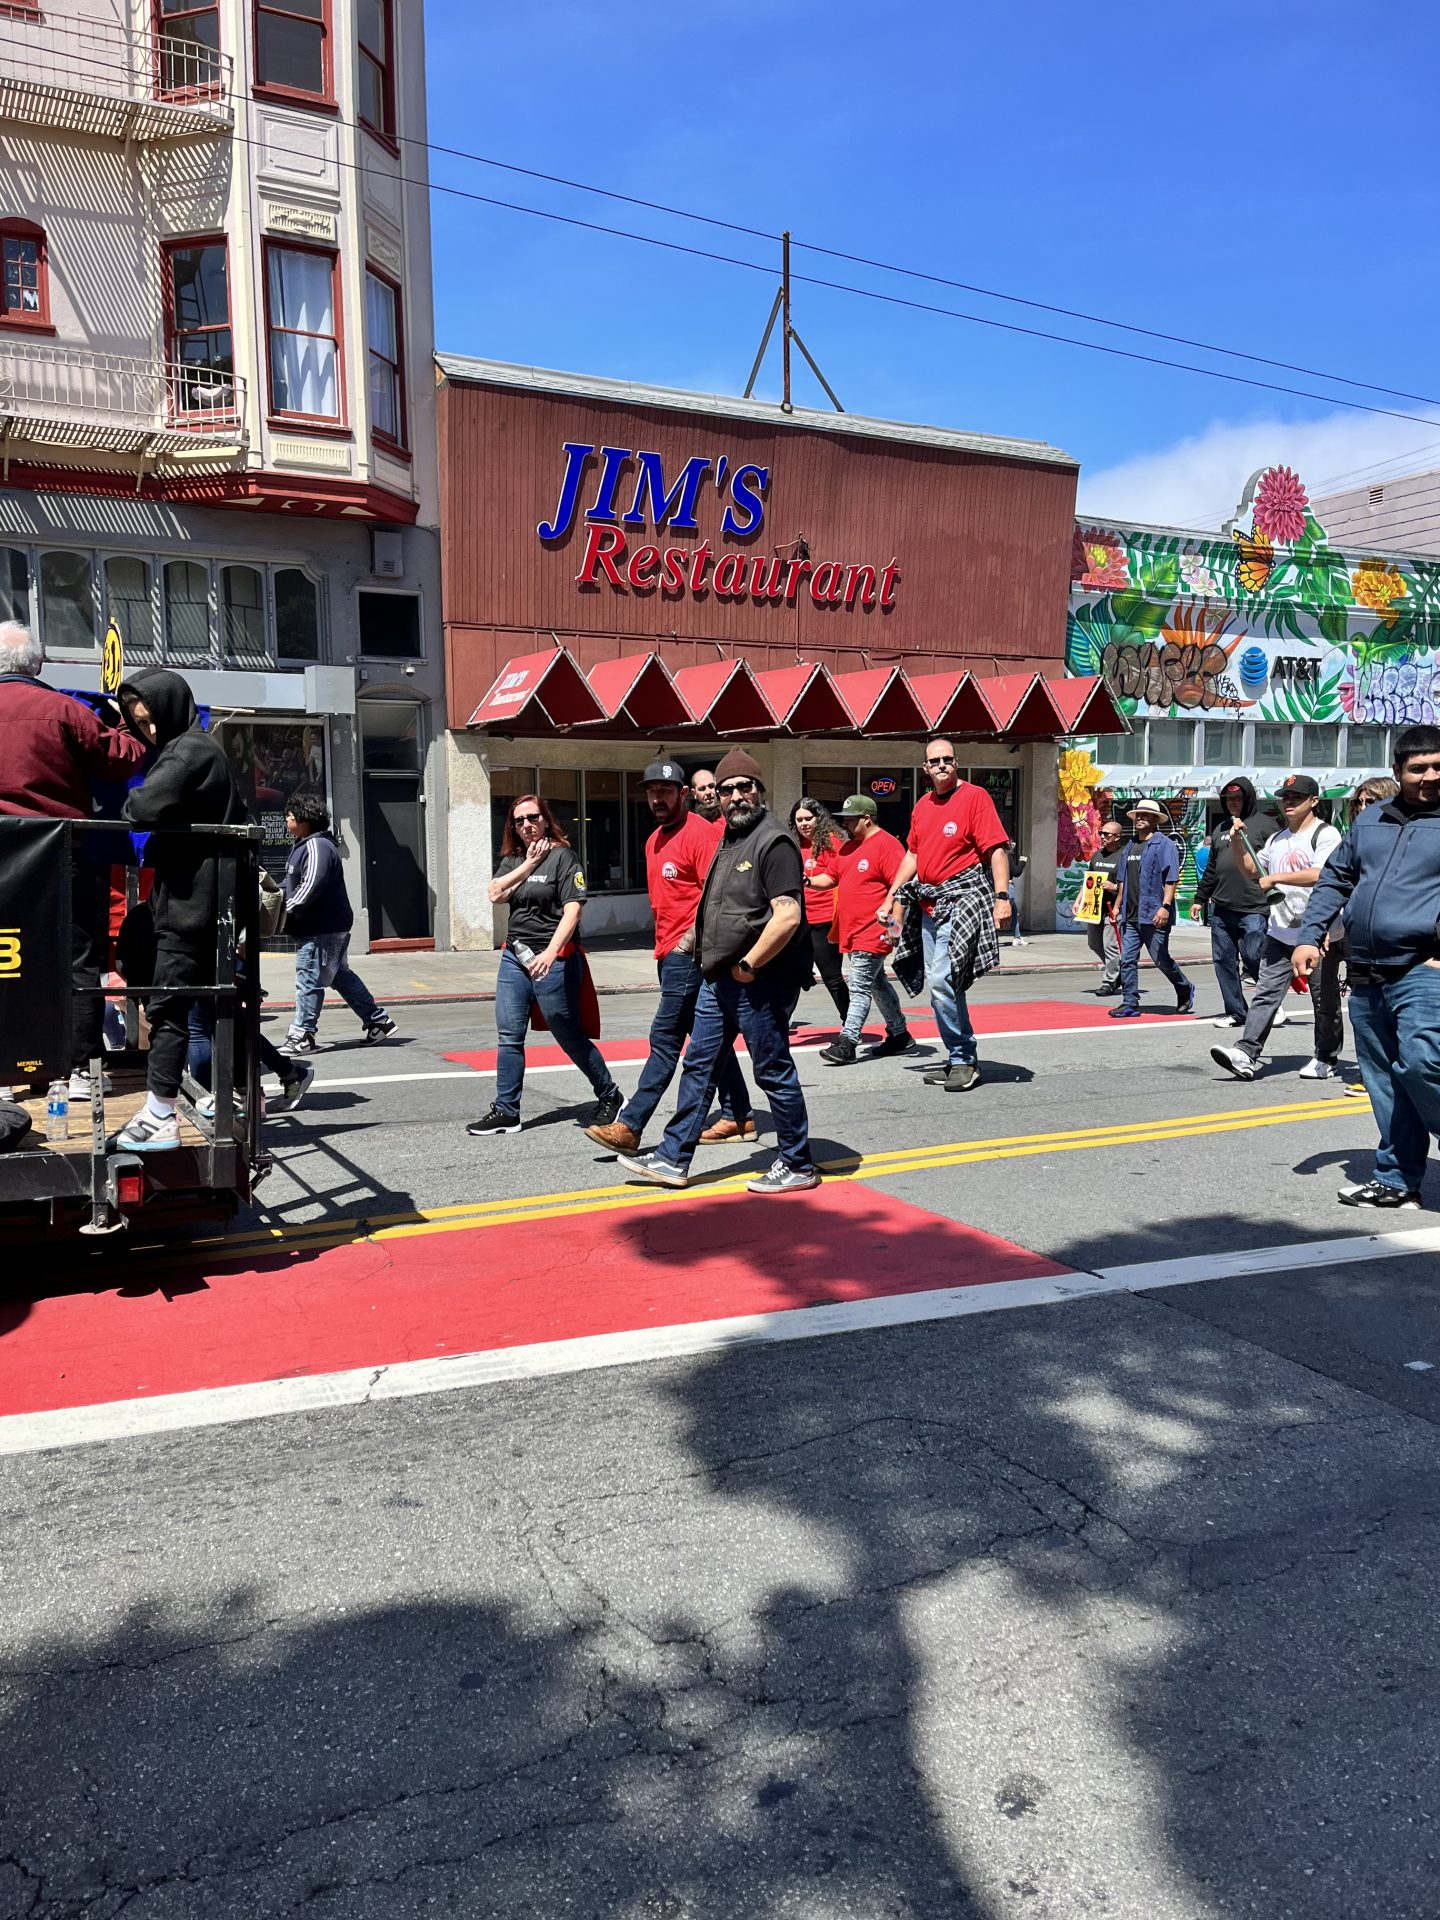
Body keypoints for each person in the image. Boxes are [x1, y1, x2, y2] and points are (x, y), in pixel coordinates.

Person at [617, 747, 819, 1194]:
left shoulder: (774, 841)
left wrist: (748, 965)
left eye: (744, 787)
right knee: (699, 1065)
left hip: (758, 979)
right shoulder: (728, 839)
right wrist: (690, 947)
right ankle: (673, 1158)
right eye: (726, 790)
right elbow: (714, 909)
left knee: (772, 1070)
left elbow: (786, 916)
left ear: (759, 791)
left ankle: (798, 1163)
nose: (735, 796)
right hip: (718, 977)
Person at [0, 620, 146, 1099]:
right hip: (64, 853)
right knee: (77, 961)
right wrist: (124, 720)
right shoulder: (63, 709)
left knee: (8, 960)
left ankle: (6, 1070)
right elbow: (122, 757)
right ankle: (79, 1068)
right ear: (38, 664)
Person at [1293, 734, 1440, 1207]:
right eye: (1419, 768)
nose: (1431, 776)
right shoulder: (1371, 820)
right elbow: (1337, 877)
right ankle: (1397, 1178)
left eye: (1439, 766)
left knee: (1421, 1061)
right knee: (1384, 1081)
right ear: (1398, 770)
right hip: (1366, 972)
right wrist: (1309, 935)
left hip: (1424, 967)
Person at [584, 758, 753, 1153]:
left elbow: (719, 895)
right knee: (707, 1037)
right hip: (668, 953)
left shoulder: (701, 835)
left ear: (684, 794)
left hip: (690, 954)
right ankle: (739, 1114)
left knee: (665, 1039)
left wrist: (688, 942)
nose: (657, 798)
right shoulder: (655, 838)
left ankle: (630, 1124)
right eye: (651, 791)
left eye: (665, 791)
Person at [112, 667, 242, 1150]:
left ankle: (160, 1111)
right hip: (195, 898)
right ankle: (233, 1093)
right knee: (197, 998)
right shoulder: (196, 747)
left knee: (169, 1004)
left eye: (150, 719)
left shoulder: (188, 752)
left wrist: (133, 796)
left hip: (190, 901)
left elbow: (142, 806)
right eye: (137, 722)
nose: (147, 730)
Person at [467, 792, 622, 1137]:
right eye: (519, 820)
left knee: (566, 1033)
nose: (526, 825)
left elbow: (574, 909)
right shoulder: (515, 860)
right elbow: (495, 894)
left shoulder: (564, 857)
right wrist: (528, 865)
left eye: (533, 818)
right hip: (515, 956)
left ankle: (609, 1094)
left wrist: (551, 952)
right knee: (509, 1035)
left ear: (545, 819)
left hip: (553, 957)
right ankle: (507, 1111)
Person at [878, 737, 1010, 1092]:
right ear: (925, 768)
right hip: (930, 905)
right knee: (945, 986)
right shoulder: (921, 806)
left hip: (963, 900)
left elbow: (996, 850)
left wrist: (1002, 896)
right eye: (934, 761)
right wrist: (892, 896)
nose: (941, 765)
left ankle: (964, 1058)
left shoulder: (975, 797)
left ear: (956, 762)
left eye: (946, 759)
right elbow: (913, 856)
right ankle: (958, 1057)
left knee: (941, 982)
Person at [1210, 774, 1342, 1081]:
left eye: (1297, 797)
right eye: (1286, 797)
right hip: (1280, 931)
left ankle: (1326, 1057)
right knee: (1266, 993)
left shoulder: (1326, 834)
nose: (1290, 802)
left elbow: (1322, 873)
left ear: (1314, 801)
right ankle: (1246, 1052)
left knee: (1324, 1000)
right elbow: (1251, 871)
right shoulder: (1277, 839)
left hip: (1318, 933)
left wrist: (1277, 878)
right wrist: (1240, 844)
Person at [280, 793, 396, 1054]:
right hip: (325, 925)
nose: (287, 820)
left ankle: (302, 1034)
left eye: (290, 816)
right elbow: (291, 884)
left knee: (309, 977)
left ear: (304, 820)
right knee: (338, 975)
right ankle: (378, 1020)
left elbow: (310, 886)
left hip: (320, 927)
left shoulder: (316, 847)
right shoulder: (305, 844)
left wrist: (283, 911)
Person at [818, 795, 912, 1066]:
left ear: (866, 819)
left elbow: (901, 888)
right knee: (877, 984)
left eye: (849, 819)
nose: (844, 823)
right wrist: (806, 880)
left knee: (858, 985)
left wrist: (895, 928)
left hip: (873, 929)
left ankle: (847, 1042)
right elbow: (830, 877)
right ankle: (899, 1033)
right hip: (852, 930)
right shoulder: (848, 848)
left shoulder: (887, 846)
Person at [1191, 777, 1272, 1031]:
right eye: (1228, 800)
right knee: (1224, 961)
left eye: (1237, 798)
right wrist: (1200, 898)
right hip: (1222, 906)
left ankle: (1271, 1000)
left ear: (1248, 798)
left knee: (1253, 954)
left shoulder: (1265, 825)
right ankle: (1237, 1011)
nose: (1232, 803)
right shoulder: (1220, 828)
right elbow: (1212, 867)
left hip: (1254, 906)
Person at [1338, 777, 1400, 1097]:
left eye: (1371, 802)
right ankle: (1372, 1074)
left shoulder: (1407, 837)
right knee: (1366, 1014)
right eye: (1359, 802)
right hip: (1359, 936)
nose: (1363, 808)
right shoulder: (1354, 840)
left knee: (1400, 1014)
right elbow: (1336, 884)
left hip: (1401, 941)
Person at [1109, 799, 1196, 1018]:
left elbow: (1171, 879)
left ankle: (1184, 987)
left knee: (1160, 959)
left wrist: (1165, 907)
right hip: (1131, 915)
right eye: (1138, 815)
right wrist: (1117, 907)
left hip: (1154, 914)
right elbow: (1122, 881)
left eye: (1145, 815)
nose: (1140, 818)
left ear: (1155, 819)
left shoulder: (1164, 844)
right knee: (1127, 959)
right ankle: (1130, 1002)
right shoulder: (1129, 845)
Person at [791, 796, 850, 1024]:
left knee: (832, 977)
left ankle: (850, 1023)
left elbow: (841, 878)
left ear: (819, 819)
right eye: (799, 820)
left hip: (825, 920)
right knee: (791, 975)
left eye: (808, 818)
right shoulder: (794, 844)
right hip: (798, 921)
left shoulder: (832, 843)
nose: (804, 823)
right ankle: (779, 1021)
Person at [1084, 819, 1125, 996]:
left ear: (1117, 837)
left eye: (1107, 834)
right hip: (1094, 908)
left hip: (1112, 909)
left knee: (1110, 946)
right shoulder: (1097, 856)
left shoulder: (1124, 856)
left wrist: (1114, 888)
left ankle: (1109, 981)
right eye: (1102, 833)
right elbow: (1088, 880)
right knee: (1094, 943)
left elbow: (1126, 884)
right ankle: (1118, 970)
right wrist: (1079, 901)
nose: (1103, 837)